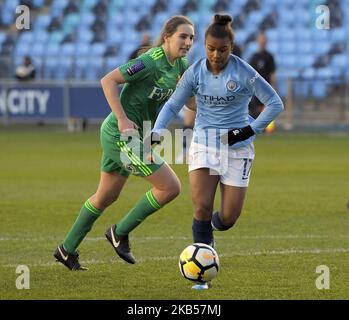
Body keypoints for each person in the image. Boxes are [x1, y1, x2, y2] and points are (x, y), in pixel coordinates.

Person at [151, 14, 284, 289]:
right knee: (201, 206)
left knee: (228, 217)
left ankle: (209, 230)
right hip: (204, 144)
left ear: (230, 48)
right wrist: (158, 131)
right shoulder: (195, 72)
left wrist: (249, 130)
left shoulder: (244, 72)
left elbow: (274, 103)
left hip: (238, 149)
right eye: (210, 48)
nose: (215, 54)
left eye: (222, 50)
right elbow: (174, 104)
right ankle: (201, 271)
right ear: (205, 46)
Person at [53, 15, 195, 270]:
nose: (187, 42)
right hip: (122, 135)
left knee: (105, 196)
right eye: (183, 36)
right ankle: (120, 232)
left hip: (136, 136)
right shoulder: (148, 63)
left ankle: (66, 249)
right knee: (170, 187)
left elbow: (190, 102)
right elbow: (107, 80)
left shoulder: (182, 66)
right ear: (167, 37)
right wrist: (122, 119)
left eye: (191, 38)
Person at [248, 33, 276, 123]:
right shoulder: (254, 57)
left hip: (266, 87)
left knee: (266, 108)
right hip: (256, 88)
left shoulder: (269, 57)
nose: (262, 43)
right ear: (258, 42)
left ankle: (267, 128)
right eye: (261, 42)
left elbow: (272, 73)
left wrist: (273, 87)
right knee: (255, 108)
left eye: (264, 42)